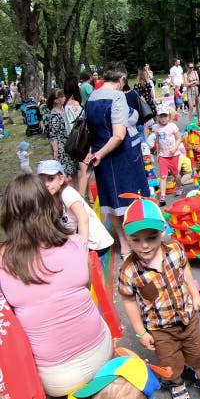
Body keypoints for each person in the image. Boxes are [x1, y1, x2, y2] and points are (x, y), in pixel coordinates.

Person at [0, 174, 113, 399]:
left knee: (49, 394)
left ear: (8, 214)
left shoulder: (3, 262)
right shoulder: (75, 244)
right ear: (50, 206)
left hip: (55, 377)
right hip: (99, 354)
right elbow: (85, 290)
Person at [118, 198, 200, 399]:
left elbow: (185, 269)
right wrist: (140, 333)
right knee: (170, 364)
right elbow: (128, 300)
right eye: (136, 240)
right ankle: (176, 385)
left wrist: (195, 295)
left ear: (163, 230)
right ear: (126, 238)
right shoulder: (129, 270)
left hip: (187, 319)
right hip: (160, 329)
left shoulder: (174, 249)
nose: (145, 245)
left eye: (151, 237)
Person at [85, 61, 151, 258]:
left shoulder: (92, 97)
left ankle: (123, 244)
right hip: (122, 157)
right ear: (122, 79)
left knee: (111, 202)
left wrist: (97, 154)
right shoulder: (117, 97)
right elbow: (119, 135)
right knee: (132, 200)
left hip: (101, 157)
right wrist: (102, 154)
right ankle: (137, 241)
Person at [37, 159, 114, 254]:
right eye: (42, 181)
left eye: (51, 179)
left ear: (61, 179)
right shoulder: (51, 196)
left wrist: (82, 248)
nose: (46, 184)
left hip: (94, 243)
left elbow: (83, 219)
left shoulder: (67, 194)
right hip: (76, 239)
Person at [64, 75, 90, 194]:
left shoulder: (65, 104)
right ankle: (81, 202)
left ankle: (89, 197)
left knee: (85, 171)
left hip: (72, 140)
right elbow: (82, 121)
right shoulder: (74, 104)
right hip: (81, 141)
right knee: (85, 173)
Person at [46, 89, 78, 181]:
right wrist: (56, 151)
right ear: (56, 100)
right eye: (62, 96)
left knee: (73, 170)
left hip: (69, 145)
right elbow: (53, 135)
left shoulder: (63, 111)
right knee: (64, 174)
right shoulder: (54, 115)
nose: (64, 98)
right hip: (61, 148)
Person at [153, 106, 182, 205]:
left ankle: (179, 186)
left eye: (165, 116)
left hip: (173, 155)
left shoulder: (172, 126)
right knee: (163, 176)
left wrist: (175, 147)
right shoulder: (156, 128)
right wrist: (157, 152)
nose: (163, 119)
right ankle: (162, 196)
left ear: (169, 117)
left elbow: (179, 138)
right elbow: (157, 141)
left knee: (175, 174)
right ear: (158, 117)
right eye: (161, 116)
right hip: (162, 156)